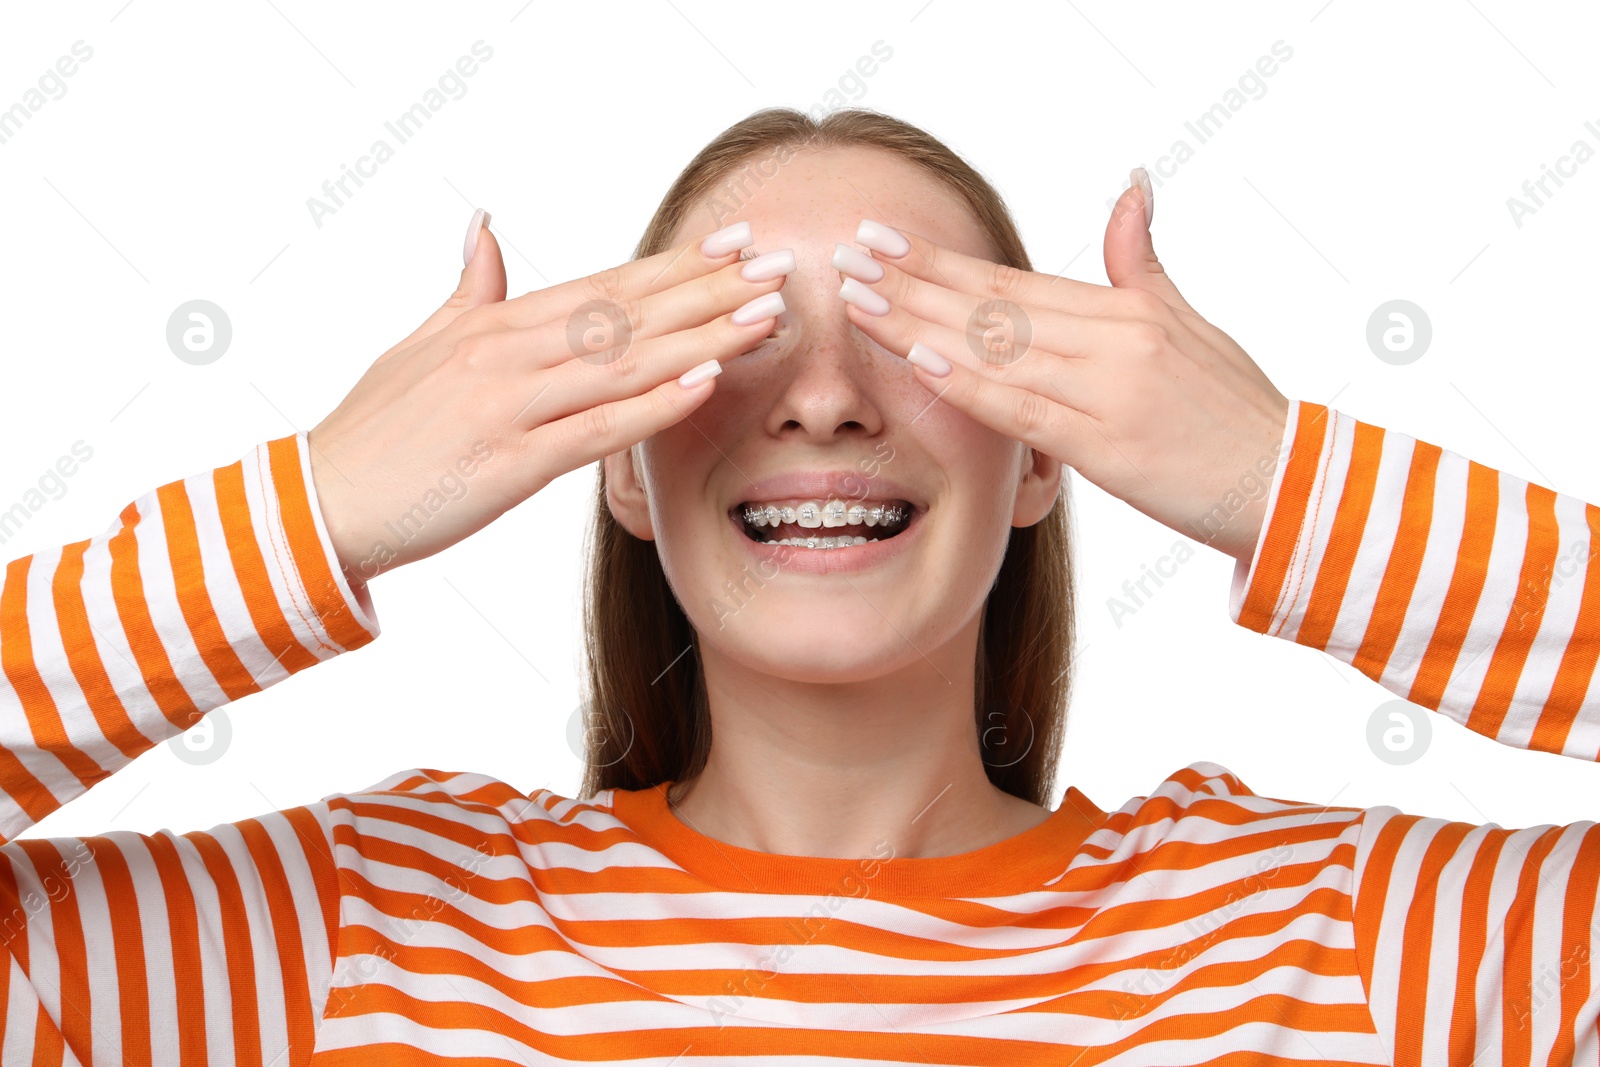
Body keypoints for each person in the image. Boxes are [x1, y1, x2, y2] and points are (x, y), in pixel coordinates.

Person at [0, 107, 1593, 1064]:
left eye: (919, 331)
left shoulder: (1341, 944)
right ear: (616, 460)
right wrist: (319, 508)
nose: (822, 401)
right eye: (737, 333)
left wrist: (1280, 482)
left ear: (1047, 453)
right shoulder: (361, 939)